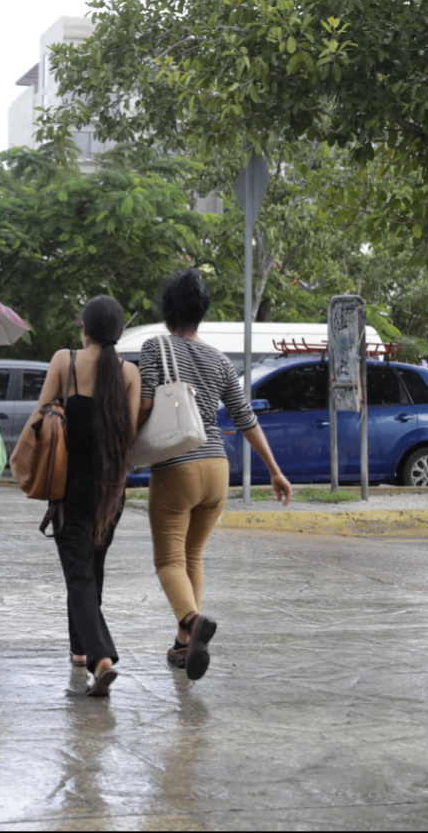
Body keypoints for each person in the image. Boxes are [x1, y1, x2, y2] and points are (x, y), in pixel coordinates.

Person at [138, 269, 292, 682]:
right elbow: (245, 419)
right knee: (193, 555)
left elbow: (146, 405)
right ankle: (184, 646)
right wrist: (275, 471)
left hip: (177, 466)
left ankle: (191, 621)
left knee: (168, 559)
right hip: (217, 469)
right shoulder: (220, 361)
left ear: (169, 310)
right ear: (201, 313)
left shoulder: (155, 347)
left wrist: (124, 444)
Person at [23, 296, 141, 697]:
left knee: (79, 574)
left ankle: (100, 658)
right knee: (93, 568)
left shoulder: (65, 361)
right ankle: (79, 649)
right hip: (110, 488)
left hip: (70, 486)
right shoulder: (129, 373)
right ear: (118, 333)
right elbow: (129, 436)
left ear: (84, 329)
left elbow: (40, 418)